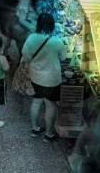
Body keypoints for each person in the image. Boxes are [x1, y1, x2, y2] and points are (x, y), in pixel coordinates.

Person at [22, 13, 68, 141]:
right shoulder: (56, 41)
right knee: (50, 104)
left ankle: (35, 128)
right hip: (52, 79)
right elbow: (64, 57)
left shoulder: (31, 38)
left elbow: (26, 56)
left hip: (35, 76)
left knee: (37, 101)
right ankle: (48, 134)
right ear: (52, 25)